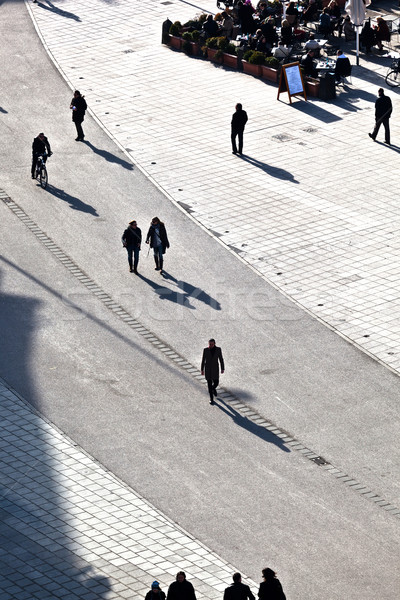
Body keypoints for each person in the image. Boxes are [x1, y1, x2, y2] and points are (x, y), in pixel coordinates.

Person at [201, 338, 225, 405]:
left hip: (215, 369)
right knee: (209, 384)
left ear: (214, 343)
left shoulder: (218, 350)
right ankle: (211, 399)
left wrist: (222, 368)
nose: (210, 345)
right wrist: (202, 369)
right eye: (209, 344)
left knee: (216, 382)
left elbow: (221, 359)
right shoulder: (205, 350)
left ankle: (213, 389)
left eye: (212, 344)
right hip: (208, 370)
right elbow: (203, 360)